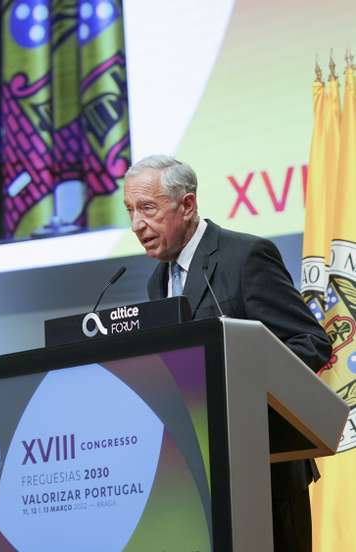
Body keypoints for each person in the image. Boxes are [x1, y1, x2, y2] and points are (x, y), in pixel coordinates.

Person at [123, 154, 331, 552]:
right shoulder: (157, 283)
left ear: (187, 205)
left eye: (148, 209)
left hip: (265, 476)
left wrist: (244, 396)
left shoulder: (245, 257)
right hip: (198, 484)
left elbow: (309, 342)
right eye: (131, 211)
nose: (137, 225)